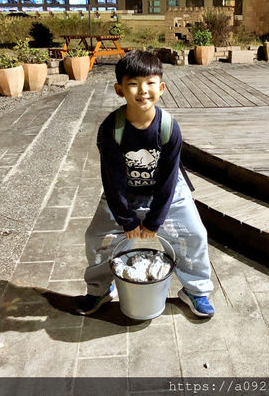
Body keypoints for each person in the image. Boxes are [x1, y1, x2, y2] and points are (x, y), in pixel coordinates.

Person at [76, 50, 215, 318]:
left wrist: (154, 221)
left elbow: (169, 178)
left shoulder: (169, 127)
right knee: (95, 238)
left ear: (161, 88)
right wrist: (127, 221)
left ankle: (195, 291)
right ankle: (99, 289)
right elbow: (112, 179)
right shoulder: (111, 128)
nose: (143, 90)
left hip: (167, 192)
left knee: (195, 235)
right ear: (119, 90)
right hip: (125, 192)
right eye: (133, 84)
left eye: (150, 83)